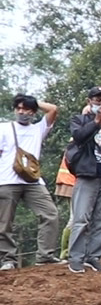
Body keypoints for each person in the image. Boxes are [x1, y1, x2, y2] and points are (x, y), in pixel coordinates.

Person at [0, 94, 61, 269]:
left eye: (26, 109)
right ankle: (7, 259)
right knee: (4, 223)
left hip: (33, 181)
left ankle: (45, 256)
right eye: (18, 108)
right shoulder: (4, 128)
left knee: (50, 214)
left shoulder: (38, 129)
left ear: (33, 112)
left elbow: (53, 109)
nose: (21, 112)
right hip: (6, 180)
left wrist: (33, 101)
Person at [67, 86, 101, 274]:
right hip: (86, 174)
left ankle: (94, 256)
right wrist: (96, 122)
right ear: (89, 101)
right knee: (81, 218)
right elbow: (79, 137)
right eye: (98, 100)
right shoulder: (79, 120)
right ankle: (76, 258)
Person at [54, 151, 75, 260]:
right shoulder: (82, 138)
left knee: (75, 217)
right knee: (75, 218)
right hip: (72, 181)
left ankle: (67, 251)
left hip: (69, 180)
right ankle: (66, 252)